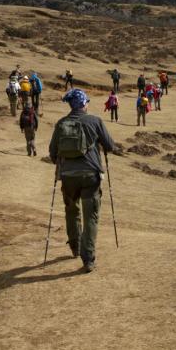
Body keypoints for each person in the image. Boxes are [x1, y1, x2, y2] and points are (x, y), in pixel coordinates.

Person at [49, 89, 116, 273]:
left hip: (68, 177)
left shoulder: (61, 123)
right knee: (91, 216)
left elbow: (53, 153)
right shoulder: (95, 121)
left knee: (72, 211)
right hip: (90, 176)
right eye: (87, 101)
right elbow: (110, 145)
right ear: (84, 104)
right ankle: (88, 259)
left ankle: (75, 247)